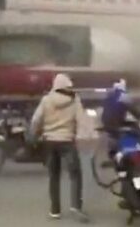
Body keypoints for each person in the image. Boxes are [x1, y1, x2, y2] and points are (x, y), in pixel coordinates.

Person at [29, 73, 90, 223]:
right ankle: (76, 206)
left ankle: (55, 210)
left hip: (50, 142)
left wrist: (33, 135)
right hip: (67, 141)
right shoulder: (74, 99)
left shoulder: (46, 100)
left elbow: (36, 119)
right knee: (75, 174)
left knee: (53, 176)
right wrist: (86, 135)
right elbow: (81, 119)